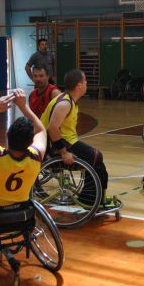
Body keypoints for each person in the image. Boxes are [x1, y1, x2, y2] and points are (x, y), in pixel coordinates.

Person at [41, 69, 120, 210]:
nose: (86, 83)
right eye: (85, 81)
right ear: (78, 86)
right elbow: (52, 128)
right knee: (95, 156)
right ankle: (90, 199)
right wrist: (64, 153)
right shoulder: (64, 104)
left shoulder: (69, 100)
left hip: (65, 141)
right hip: (56, 146)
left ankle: (96, 196)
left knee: (95, 156)